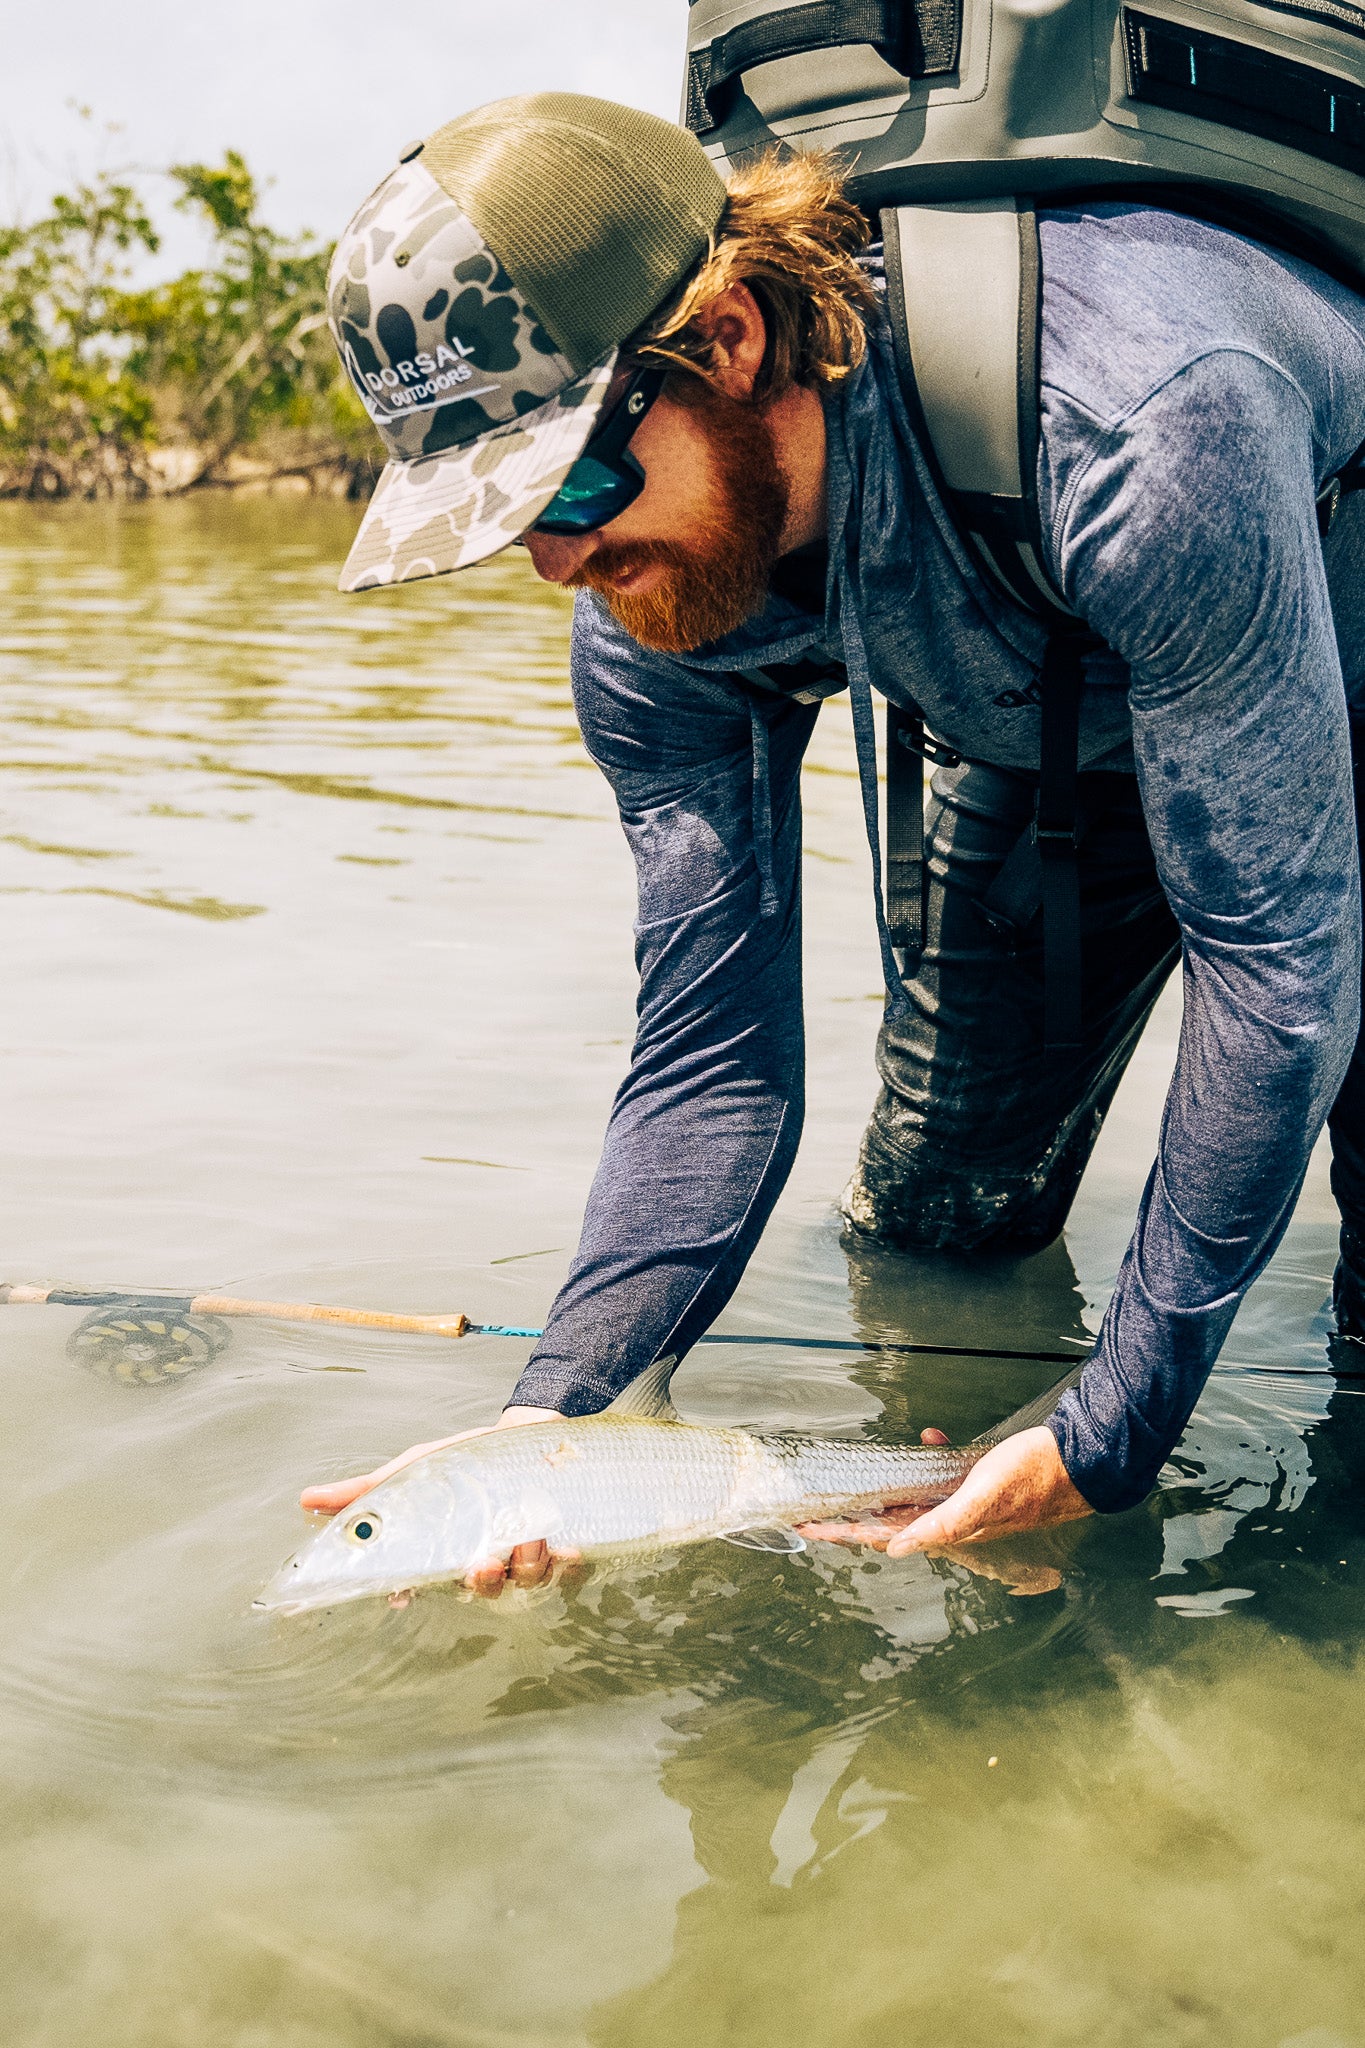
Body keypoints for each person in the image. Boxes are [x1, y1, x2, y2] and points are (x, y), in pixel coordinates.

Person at [301, 91, 1365, 1589]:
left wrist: (1108, 1432)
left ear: (730, 340)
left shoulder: (1132, 422)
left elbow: (1278, 976)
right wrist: (547, 1427)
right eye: (504, 525)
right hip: (1057, 718)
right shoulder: (641, 607)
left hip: (1314, 656)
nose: (559, 566)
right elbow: (705, 1057)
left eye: (572, 484)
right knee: (938, 1222)